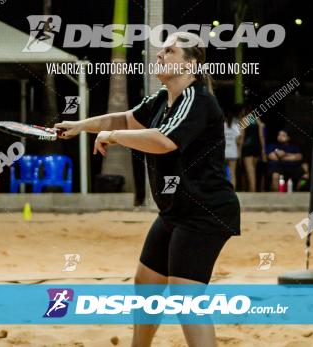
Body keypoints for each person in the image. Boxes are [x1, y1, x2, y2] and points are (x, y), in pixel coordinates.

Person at [56, 32, 240, 347]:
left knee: (186, 297)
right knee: (146, 286)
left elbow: (163, 141)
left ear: (191, 63)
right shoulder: (160, 99)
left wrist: (112, 136)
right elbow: (124, 119)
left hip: (205, 212)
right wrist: (82, 126)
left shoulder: (197, 100)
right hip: (174, 211)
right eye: (160, 50)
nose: (160, 55)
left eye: (169, 51)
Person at [238, 107, 266, 192]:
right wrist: (263, 150)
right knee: (254, 172)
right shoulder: (257, 120)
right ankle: (254, 191)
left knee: (251, 175)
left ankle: (252, 194)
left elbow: (242, 137)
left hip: (247, 148)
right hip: (257, 148)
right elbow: (261, 136)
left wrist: (239, 151)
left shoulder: (244, 120)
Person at [222, 105, 241, 189]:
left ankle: (224, 190)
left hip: (224, 151)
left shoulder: (222, 125)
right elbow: (238, 141)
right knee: (232, 172)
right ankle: (233, 191)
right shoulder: (235, 125)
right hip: (233, 151)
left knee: (222, 172)